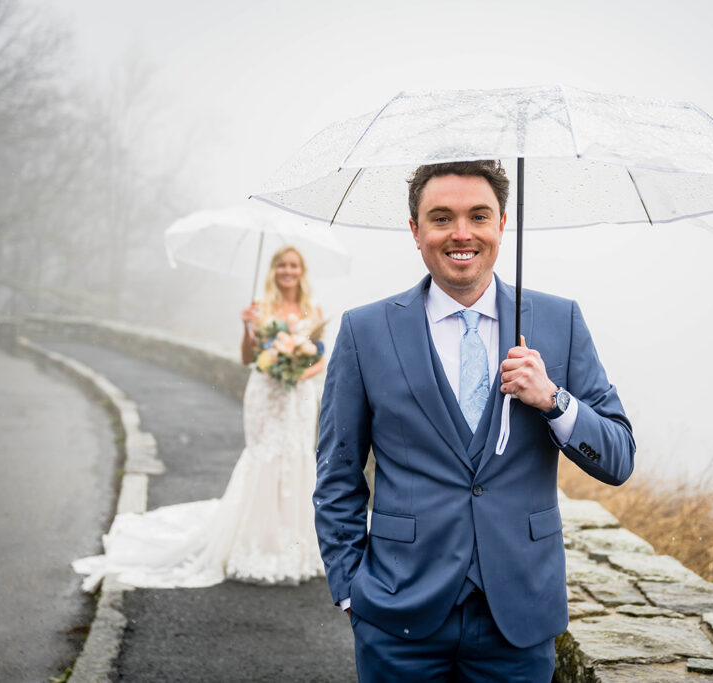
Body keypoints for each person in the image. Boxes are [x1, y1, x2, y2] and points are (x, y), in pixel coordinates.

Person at [313, 161, 635, 682]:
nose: (462, 233)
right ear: (416, 231)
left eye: (478, 216)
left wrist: (553, 399)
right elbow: (337, 475)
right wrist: (350, 590)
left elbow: (619, 457)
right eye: (442, 218)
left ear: (503, 224)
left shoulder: (560, 321)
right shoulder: (364, 331)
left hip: (520, 617)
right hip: (397, 617)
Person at [73, 245, 325, 591]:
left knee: (296, 459)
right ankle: (256, 544)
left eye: (294, 265)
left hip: (298, 398)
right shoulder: (260, 309)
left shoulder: (314, 310)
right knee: (263, 458)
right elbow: (246, 357)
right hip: (265, 395)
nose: (288, 271)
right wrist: (246, 327)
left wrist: (299, 375)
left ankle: (295, 546)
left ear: (302, 270)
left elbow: (322, 359)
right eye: (282, 265)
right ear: (273, 270)